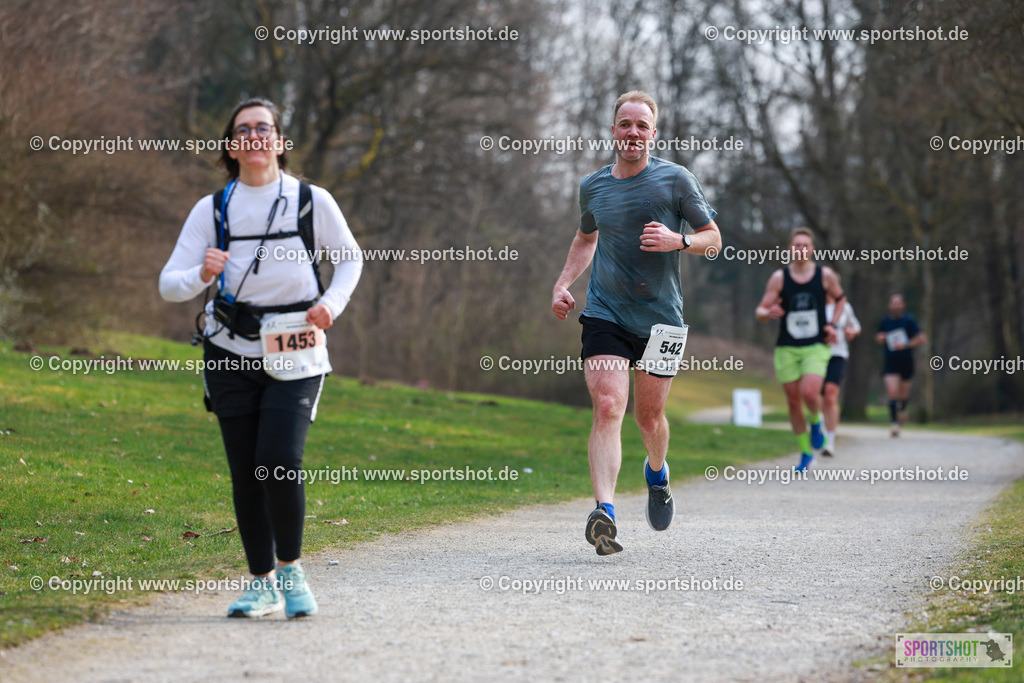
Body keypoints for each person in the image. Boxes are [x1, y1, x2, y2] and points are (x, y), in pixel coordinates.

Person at [159, 98, 363, 617]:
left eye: (263, 128)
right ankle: (261, 582)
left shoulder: (311, 201)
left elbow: (349, 259)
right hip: (229, 348)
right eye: (242, 130)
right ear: (231, 146)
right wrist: (202, 275)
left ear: (279, 141)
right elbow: (169, 285)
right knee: (247, 471)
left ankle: (291, 571)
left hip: (296, 345)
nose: (253, 136)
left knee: (278, 461)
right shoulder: (214, 209)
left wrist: (330, 304)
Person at [551, 90, 722, 555]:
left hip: (662, 320)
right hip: (605, 311)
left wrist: (678, 240)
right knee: (609, 406)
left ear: (653, 132)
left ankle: (657, 472)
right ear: (613, 131)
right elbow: (586, 237)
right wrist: (563, 283)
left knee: (649, 418)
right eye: (624, 124)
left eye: (641, 126)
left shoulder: (676, 180)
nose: (632, 133)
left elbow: (714, 239)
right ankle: (604, 514)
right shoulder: (593, 187)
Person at [755, 228, 845, 471]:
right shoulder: (779, 278)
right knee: (793, 402)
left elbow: (841, 299)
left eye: (805, 245)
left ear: (812, 249)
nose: (801, 249)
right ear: (790, 249)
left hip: (816, 345)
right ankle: (806, 453)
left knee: (810, 391)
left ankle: (816, 422)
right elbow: (760, 311)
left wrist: (833, 324)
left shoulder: (825, 275)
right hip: (787, 347)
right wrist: (768, 312)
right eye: (797, 245)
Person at [875, 293, 926, 436]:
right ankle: (894, 424)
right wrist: (881, 338)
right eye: (893, 303)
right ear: (889, 305)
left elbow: (922, 338)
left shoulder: (909, 320)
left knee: (903, 394)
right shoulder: (885, 321)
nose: (896, 305)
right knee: (892, 392)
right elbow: (879, 337)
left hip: (906, 360)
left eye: (898, 303)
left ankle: (902, 409)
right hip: (890, 360)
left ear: (903, 305)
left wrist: (906, 344)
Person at [820, 283, 861, 457]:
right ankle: (819, 433)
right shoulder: (815, 305)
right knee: (818, 397)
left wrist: (852, 331)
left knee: (830, 395)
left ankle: (829, 441)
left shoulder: (845, 307)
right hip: (817, 355)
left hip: (838, 354)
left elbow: (856, 326)